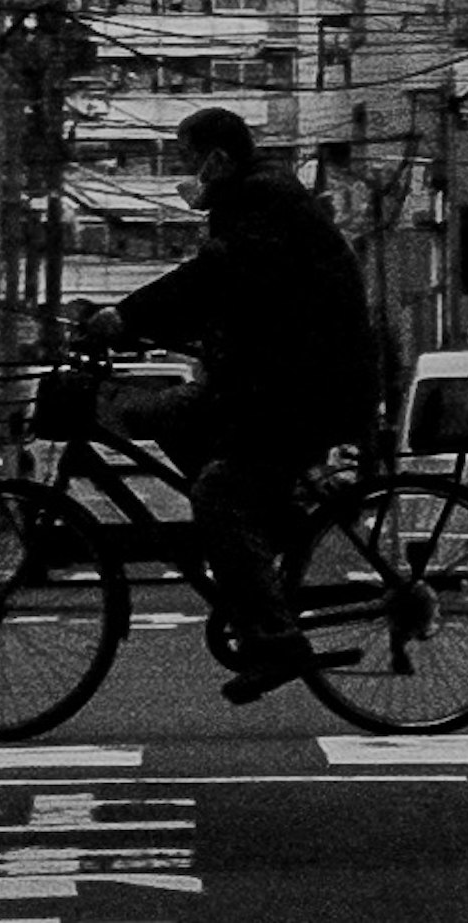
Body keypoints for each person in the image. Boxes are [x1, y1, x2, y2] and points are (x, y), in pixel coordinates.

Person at [107, 105, 381, 698]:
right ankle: (273, 528)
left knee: (217, 493)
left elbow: (210, 279)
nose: (188, 177)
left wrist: (125, 315)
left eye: (189, 162)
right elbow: (232, 299)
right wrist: (146, 326)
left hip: (308, 387)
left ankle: (277, 641)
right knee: (162, 412)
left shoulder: (259, 204)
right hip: (268, 378)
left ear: (218, 159)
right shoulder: (256, 200)